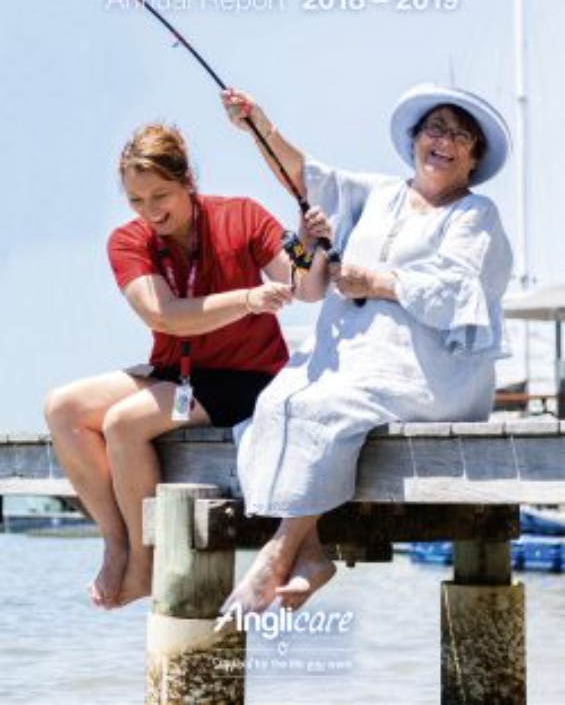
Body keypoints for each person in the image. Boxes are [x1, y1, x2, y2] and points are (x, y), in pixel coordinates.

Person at [220, 83, 513, 613]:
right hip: (350, 361)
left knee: (321, 407)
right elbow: (305, 176)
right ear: (415, 139)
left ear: (473, 157)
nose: (443, 141)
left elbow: (459, 291)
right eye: (434, 128)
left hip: (429, 375)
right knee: (274, 402)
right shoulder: (377, 193)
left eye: (459, 135)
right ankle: (310, 555)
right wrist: (259, 126)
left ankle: (278, 551)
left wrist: (376, 282)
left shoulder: (476, 214)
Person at [43, 122, 325, 609]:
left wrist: (308, 246)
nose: (151, 212)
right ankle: (117, 542)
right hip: (177, 371)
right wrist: (249, 298)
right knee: (62, 407)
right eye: (136, 200)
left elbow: (304, 286)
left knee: (122, 423)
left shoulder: (242, 214)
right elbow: (164, 316)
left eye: (161, 195)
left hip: (248, 377)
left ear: (187, 181)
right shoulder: (126, 240)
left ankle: (144, 566)